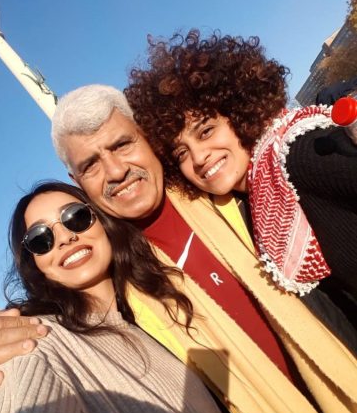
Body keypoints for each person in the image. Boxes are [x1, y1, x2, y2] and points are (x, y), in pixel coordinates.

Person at [0, 84, 357, 413]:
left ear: (148, 138)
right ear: (77, 182)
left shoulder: (233, 188)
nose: (116, 171)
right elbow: (61, 357)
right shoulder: (117, 285)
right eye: (91, 165)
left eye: (122, 145)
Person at [125, 29, 357, 316]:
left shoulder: (297, 156)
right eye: (181, 153)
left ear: (240, 113)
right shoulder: (255, 202)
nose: (198, 157)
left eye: (206, 131)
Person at [0, 180, 229, 413]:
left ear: (103, 221)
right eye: (40, 238)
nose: (65, 238)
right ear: (34, 262)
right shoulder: (36, 341)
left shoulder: (156, 308)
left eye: (76, 217)